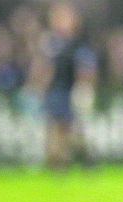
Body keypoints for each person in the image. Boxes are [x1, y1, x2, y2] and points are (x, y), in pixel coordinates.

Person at [39, 1, 97, 169]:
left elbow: (86, 68)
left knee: (69, 129)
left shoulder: (78, 44)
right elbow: (45, 68)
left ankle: (82, 159)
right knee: (56, 126)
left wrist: (84, 89)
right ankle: (59, 162)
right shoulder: (50, 42)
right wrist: (39, 87)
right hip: (55, 90)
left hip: (70, 90)